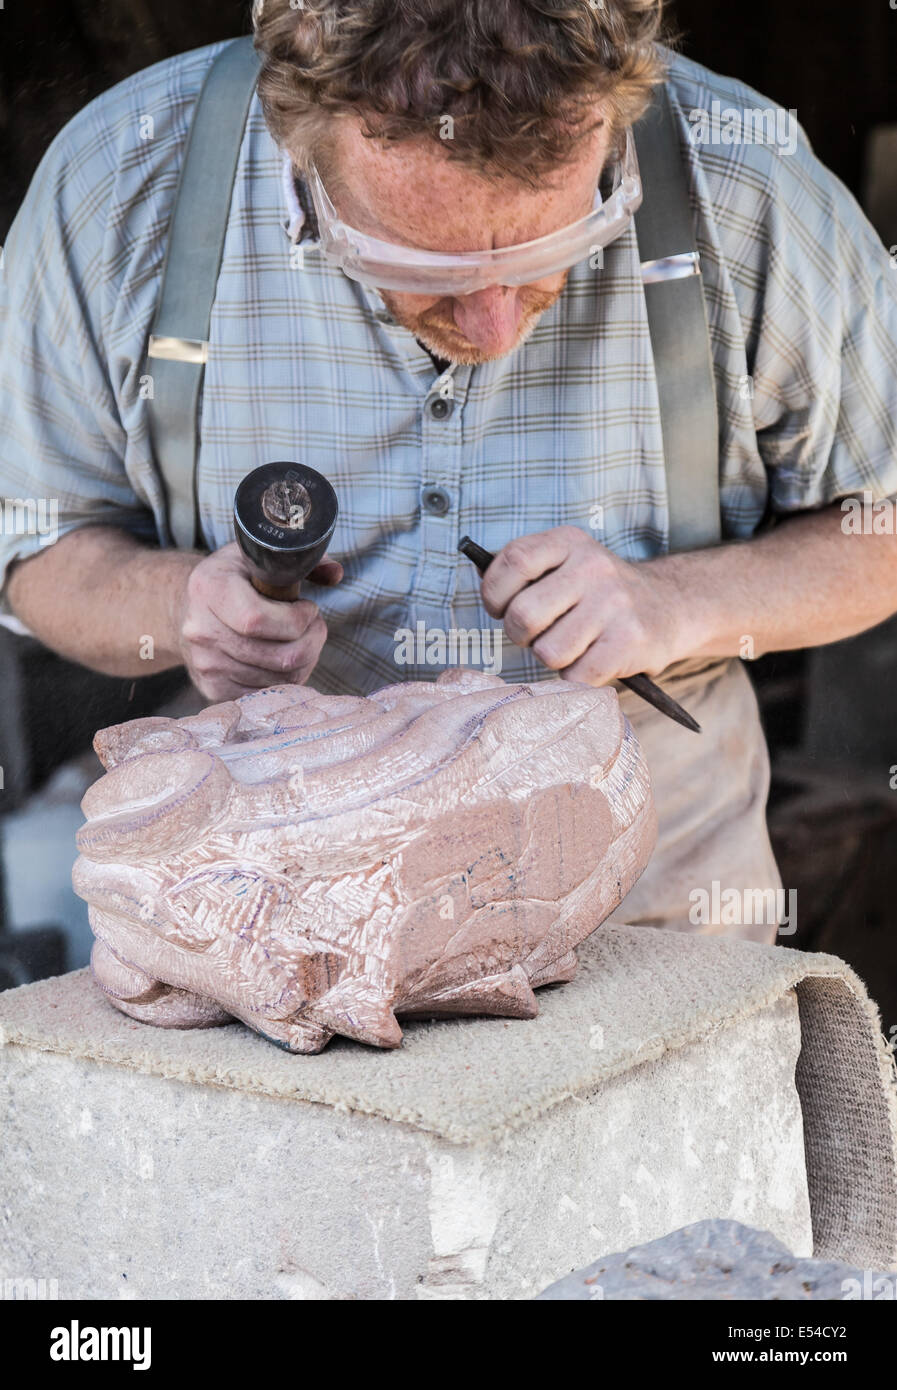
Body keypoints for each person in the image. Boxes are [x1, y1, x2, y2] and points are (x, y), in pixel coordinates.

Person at [1, 1, 896, 940]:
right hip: (272, 903)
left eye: (555, 251)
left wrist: (675, 601)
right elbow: (37, 548)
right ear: (298, 143)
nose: (495, 330)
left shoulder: (746, 178)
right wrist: (181, 607)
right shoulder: (126, 178)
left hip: (643, 907)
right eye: (421, 263)